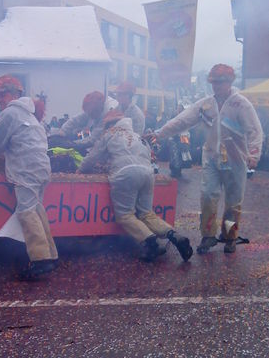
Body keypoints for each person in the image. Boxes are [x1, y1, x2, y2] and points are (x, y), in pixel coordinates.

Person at [150, 64, 263, 254]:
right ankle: (208, 235)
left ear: (229, 82)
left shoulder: (241, 104)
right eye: (213, 83)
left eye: (220, 82)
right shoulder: (205, 104)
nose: (216, 86)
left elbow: (255, 130)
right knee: (208, 196)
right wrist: (160, 133)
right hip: (211, 157)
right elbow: (183, 119)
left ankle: (229, 236)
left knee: (233, 202)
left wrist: (253, 153)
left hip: (236, 159)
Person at [78, 111, 193, 262]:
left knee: (125, 215)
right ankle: (173, 235)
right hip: (147, 174)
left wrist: (80, 170)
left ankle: (150, 243)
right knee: (146, 213)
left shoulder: (111, 134)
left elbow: (92, 157)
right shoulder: (138, 137)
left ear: (111, 124)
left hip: (124, 174)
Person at [0, 74, 58, 280]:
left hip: (26, 170)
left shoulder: (10, 114)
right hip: (42, 169)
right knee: (36, 209)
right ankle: (51, 255)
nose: (0, 99)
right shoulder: (30, 115)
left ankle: (40, 260)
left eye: (3, 94)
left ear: (15, 94)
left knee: (26, 212)